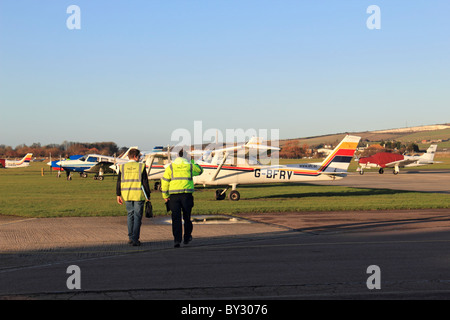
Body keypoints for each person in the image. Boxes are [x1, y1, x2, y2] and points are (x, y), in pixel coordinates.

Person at [161, 149, 203, 248]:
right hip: (186, 195)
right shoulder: (189, 165)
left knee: (176, 218)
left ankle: (177, 240)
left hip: (174, 196)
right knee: (187, 217)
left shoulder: (170, 167)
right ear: (186, 157)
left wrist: (165, 195)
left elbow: (165, 181)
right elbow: (200, 171)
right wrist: (192, 161)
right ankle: (187, 236)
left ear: (177, 156)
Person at [116, 148, 151, 246]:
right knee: (137, 217)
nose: (140, 158)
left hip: (126, 195)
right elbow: (145, 183)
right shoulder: (141, 167)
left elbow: (119, 182)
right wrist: (148, 195)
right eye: (139, 156)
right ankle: (135, 238)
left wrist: (118, 194)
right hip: (138, 195)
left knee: (129, 215)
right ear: (135, 157)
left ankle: (130, 237)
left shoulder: (122, 167)